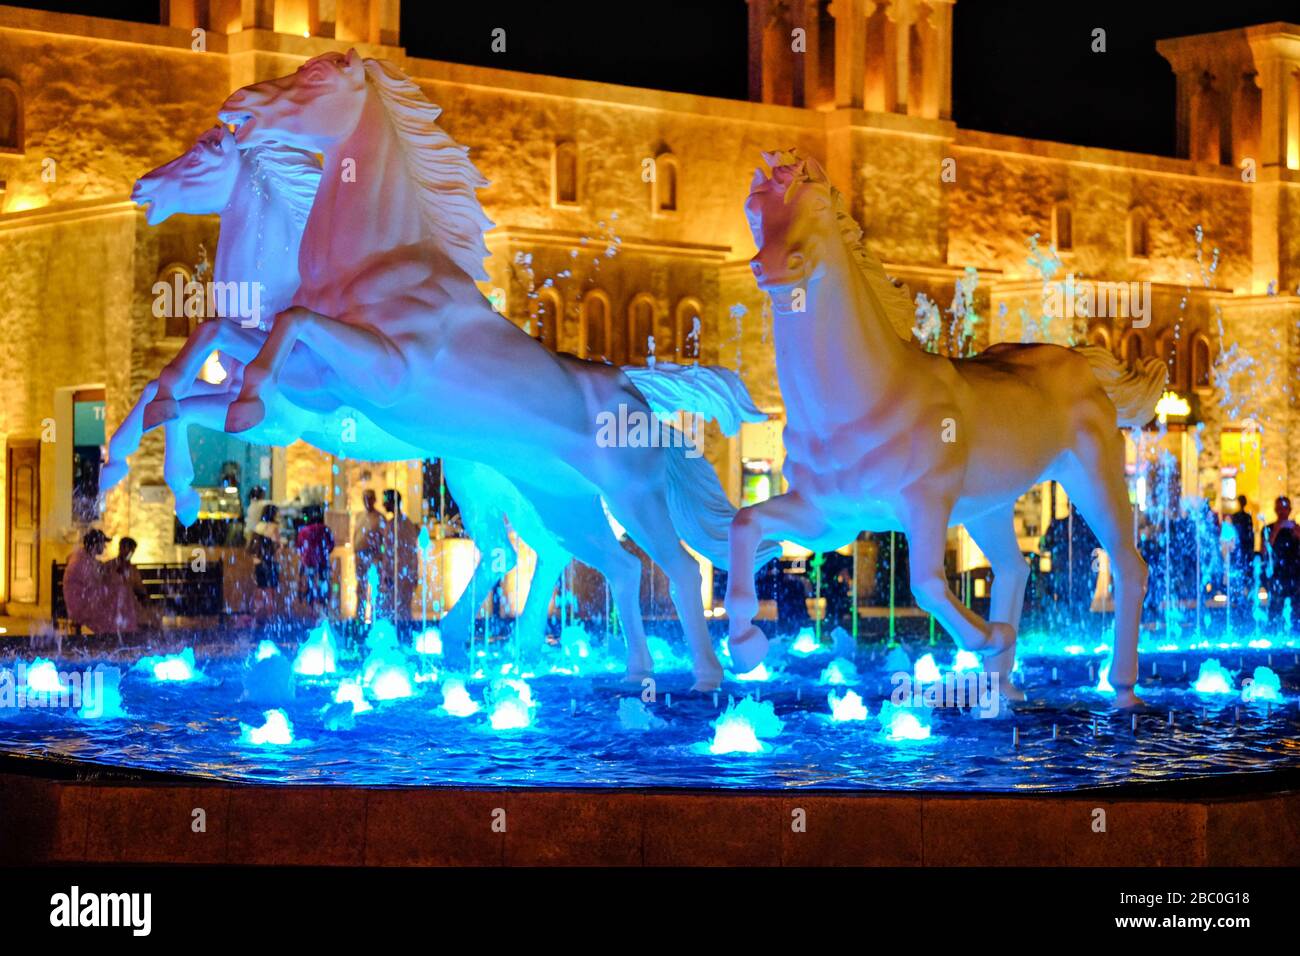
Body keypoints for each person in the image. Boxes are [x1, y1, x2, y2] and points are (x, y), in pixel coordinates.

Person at [63, 529, 136, 634]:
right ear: (96, 544)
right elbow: (95, 583)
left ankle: (122, 629)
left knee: (120, 591)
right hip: (81, 606)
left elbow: (100, 571)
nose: (104, 547)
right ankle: (123, 631)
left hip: (84, 600)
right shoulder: (82, 560)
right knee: (120, 592)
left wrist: (116, 566)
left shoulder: (84, 556)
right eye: (103, 543)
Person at [383, 489, 422, 622]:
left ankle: (402, 639)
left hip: (399, 576)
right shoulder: (405, 522)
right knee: (399, 610)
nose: (383, 505)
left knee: (399, 611)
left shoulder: (401, 524)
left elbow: (402, 552)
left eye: (385, 501)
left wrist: (388, 574)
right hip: (402, 575)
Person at [352, 489, 387, 621]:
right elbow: (355, 534)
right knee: (360, 587)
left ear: (374, 499)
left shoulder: (380, 518)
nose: (367, 500)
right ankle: (359, 616)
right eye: (365, 498)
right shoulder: (359, 516)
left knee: (375, 587)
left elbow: (384, 538)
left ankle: (375, 616)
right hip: (360, 556)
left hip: (374, 556)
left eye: (369, 498)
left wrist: (381, 557)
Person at [1264, 496, 1300, 624]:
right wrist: (1276, 530)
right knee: (1276, 605)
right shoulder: (1269, 528)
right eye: (1279, 508)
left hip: (1295, 574)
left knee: (1295, 606)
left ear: (1290, 510)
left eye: (1284, 508)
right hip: (1277, 573)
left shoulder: (1296, 528)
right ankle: (1274, 632)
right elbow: (1264, 551)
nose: (1282, 511)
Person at [109, 536, 159, 627]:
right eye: (127, 549)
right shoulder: (111, 566)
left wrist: (144, 597)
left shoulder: (132, 569)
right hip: (116, 604)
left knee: (152, 616)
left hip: (129, 602)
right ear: (121, 549)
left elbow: (139, 587)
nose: (130, 553)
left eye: (132, 550)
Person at [295, 504, 334, 607]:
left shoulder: (303, 531)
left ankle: (311, 607)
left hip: (308, 562)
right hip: (322, 561)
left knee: (310, 582)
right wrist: (324, 553)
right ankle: (323, 606)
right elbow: (331, 545)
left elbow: (299, 547)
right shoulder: (325, 529)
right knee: (323, 582)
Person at [247, 503, 281, 613]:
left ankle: (258, 616)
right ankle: (270, 617)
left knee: (259, 589)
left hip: (258, 563)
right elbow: (276, 546)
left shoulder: (258, 526)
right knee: (270, 591)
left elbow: (252, 547)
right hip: (270, 563)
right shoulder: (274, 527)